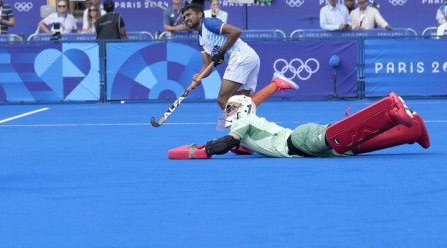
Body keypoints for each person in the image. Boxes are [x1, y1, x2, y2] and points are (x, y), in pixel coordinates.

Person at [174, 92, 429, 159]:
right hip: (303, 148)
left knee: (340, 137)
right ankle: (412, 131)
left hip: (298, 140)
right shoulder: (247, 127)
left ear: (241, 109)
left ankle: (390, 110)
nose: (227, 112)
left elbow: (229, 142)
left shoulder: (244, 121)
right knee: (352, 146)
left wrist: (203, 149)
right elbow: (238, 147)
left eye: (230, 108)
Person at [182, 2, 261, 109]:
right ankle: (274, 86)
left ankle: (239, 123)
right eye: (184, 17)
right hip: (250, 58)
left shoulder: (209, 23)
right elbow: (207, 65)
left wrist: (221, 51)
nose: (186, 19)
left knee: (223, 99)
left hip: (241, 56)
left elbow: (236, 31)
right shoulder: (200, 41)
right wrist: (199, 76)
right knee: (240, 101)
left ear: (200, 14)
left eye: (188, 15)